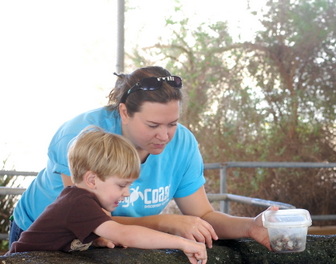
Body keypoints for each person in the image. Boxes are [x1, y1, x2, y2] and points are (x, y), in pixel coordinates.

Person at [10, 66, 273, 250]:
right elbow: (92, 218)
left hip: (109, 239)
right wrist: (167, 223)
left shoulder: (183, 143)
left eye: (172, 123)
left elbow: (203, 214)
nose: (165, 135)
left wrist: (251, 227)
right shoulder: (81, 136)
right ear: (124, 112)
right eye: (152, 125)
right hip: (45, 235)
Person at [9, 129, 208, 264]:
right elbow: (126, 234)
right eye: (122, 185)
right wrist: (183, 244)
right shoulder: (79, 203)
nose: (128, 193)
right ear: (92, 179)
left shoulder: (78, 198)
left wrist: (96, 238)